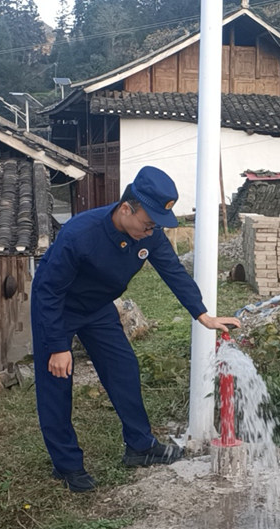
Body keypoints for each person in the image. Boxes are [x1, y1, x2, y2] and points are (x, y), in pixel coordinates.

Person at [31, 166, 242, 492]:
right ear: (126, 208)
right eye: (147, 223)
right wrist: (59, 346)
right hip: (58, 308)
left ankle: (139, 446)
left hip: (98, 307)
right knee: (57, 385)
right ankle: (68, 466)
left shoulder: (149, 234)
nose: (151, 230)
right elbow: (48, 291)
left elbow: (173, 271)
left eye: (156, 225)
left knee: (124, 369)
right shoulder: (80, 235)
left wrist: (202, 314)